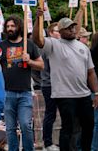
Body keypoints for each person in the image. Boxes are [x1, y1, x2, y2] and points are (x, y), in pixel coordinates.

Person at [33, 1, 98, 151]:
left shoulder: (83, 47)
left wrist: (96, 93)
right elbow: (37, 40)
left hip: (83, 94)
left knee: (88, 126)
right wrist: (38, 19)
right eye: (68, 28)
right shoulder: (54, 45)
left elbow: (91, 72)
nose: (72, 29)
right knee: (68, 128)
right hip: (65, 95)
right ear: (61, 31)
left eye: (73, 27)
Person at [0, 16, 44, 151]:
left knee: (25, 125)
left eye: (12, 26)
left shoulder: (29, 44)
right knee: (11, 128)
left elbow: (41, 65)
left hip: (25, 93)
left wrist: (29, 62)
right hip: (7, 93)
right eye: (8, 27)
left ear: (19, 27)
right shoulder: (1, 46)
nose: (10, 29)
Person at [41, 23, 61, 151]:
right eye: (57, 31)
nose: (60, 33)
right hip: (49, 84)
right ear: (50, 33)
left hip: (60, 84)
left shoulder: (60, 45)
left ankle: (61, 140)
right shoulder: (48, 47)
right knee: (50, 114)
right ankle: (47, 143)